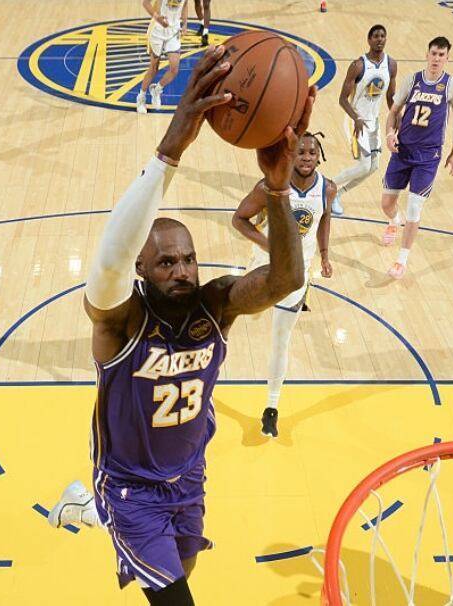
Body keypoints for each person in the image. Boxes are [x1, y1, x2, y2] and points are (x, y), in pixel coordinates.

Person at [47, 46, 316, 605]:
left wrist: (278, 188)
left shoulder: (215, 305)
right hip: (131, 487)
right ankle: (102, 506)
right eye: (166, 262)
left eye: (189, 259)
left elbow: (287, 279)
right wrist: (171, 148)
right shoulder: (120, 321)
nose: (182, 270)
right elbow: (108, 265)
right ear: (142, 271)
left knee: (185, 569)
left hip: (189, 475)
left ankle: (86, 511)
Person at [231, 132, 334, 438]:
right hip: (262, 267)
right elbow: (239, 219)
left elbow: (325, 218)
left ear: (319, 157)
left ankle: (271, 407)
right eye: (300, 152)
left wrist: (325, 254)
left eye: (311, 152)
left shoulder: (327, 188)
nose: (306, 157)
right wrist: (270, 246)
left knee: (280, 340)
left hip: (295, 276)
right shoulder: (271, 187)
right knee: (237, 316)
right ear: (291, 156)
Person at [379, 36, 453, 280]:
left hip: (429, 156)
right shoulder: (412, 80)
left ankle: (401, 260)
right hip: (403, 151)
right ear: (427, 55)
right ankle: (394, 221)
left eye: (441, 55)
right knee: (386, 204)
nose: (436, 59)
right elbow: (393, 112)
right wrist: (389, 134)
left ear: (447, 58)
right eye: (433, 54)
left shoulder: (452, 84)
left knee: (414, 207)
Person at [329, 24, 396, 216]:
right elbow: (342, 99)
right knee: (364, 165)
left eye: (382, 36)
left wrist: (398, 117)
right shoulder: (358, 65)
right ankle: (328, 186)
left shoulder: (391, 65)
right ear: (369, 40)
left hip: (374, 121)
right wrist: (356, 117)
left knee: (373, 167)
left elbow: (391, 98)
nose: (379, 39)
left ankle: (337, 194)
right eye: (376, 36)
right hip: (356, 120)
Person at [138, 0, 189, 114]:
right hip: (157, 31)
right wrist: (158, 18)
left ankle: (157, 89)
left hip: (173, 31)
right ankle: (141, 98)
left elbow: (185, 4)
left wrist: (185, 23)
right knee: (154, 68)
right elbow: (145, 3)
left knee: (174, 69)